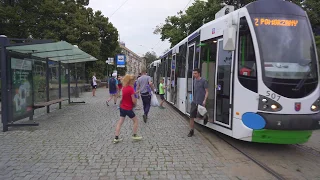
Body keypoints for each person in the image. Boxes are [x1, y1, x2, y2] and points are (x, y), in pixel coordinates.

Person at [113, 74, 143, 143]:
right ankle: (134, 135)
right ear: (130, 81)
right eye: (133, 80)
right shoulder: (131, 88)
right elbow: (133, 100)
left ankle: (116, 137)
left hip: (122, 107)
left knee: (120, 122)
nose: (134, 82)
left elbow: (127, 95)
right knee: (136, 121)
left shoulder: (124, 88)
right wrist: (135, 103)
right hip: (128, 108)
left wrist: (134, 92)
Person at [188, 68, 209, 137]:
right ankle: (191, 131)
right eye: (193, 73)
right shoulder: (194, 80)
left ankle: (205, 117)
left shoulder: (204, 81)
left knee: (199, 117)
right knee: (191, 116)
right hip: (194, 101)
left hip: (201, 101)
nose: (194, 75)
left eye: (195, 73)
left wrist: (204, 100)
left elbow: (207, 91)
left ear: (199, 73)